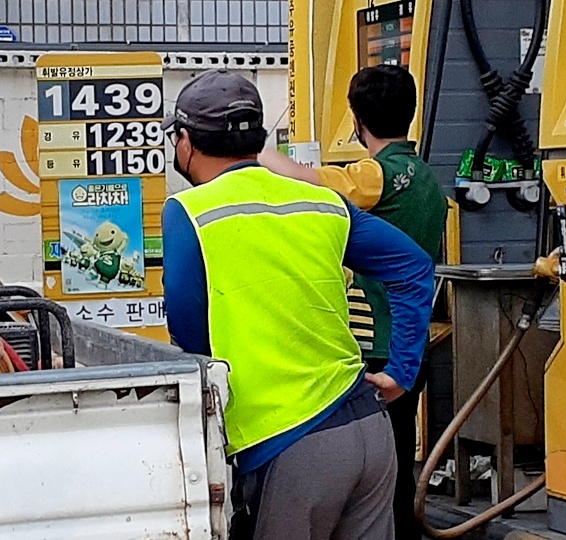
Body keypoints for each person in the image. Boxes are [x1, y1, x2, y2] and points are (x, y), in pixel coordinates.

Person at [161, 68, 435, 540]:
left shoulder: (190, 212)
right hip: (367, 429)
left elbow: (189, 332)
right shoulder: (321, 201)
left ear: (185, 141)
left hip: (287, 444)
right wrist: (402, 370)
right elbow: (413, 267)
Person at [259, 64, 448, 540]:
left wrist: (254, 151)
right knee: (399, 462)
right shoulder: (427, 177)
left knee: (372, 479)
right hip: (413, 339)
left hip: (377, 344)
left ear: (358, 122)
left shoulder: (376, 175)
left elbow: (308, 180)